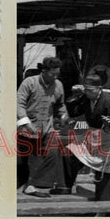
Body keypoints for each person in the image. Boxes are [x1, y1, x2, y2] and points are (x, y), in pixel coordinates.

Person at [62, 74, 110, 201]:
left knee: (104, 169)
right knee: (69, 153)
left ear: (99, 88)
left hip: (107, 136)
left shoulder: (108, 100)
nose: (87, 93)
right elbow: (74, 112)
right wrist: (75, 96)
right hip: (91, 135)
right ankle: (67, 186)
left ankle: (103, 200)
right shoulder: (86, 98)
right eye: (85, 90)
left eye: (90, 90)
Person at [17, 56, 69, 197]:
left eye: (58, 74)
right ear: (44, 71)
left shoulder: (58, 85)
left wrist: (63, 115)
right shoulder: (29, 82)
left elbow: (60, 105)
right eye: (53, 74)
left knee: (53, 153)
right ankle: (28, 185)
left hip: (47, 128)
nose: (56, 77)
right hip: (27, 128)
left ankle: (32, 185)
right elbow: (19, 104)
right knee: (27, 162)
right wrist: (26, 122)